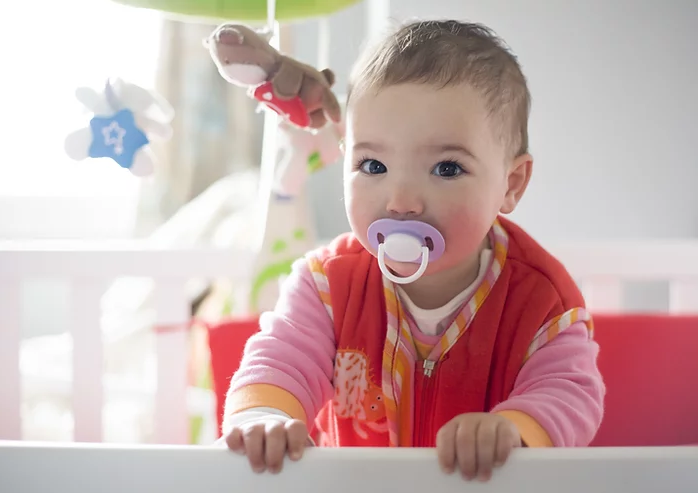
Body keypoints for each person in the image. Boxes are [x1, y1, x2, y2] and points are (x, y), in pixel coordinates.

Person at [222, 19, 605, 482]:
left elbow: (569, 390)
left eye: (446, 168)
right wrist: (263, 416)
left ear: (511, 184)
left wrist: (513, 429)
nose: (400, 200)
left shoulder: (542, 299)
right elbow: (281, 359)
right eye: (374, 165)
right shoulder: (327, 285)